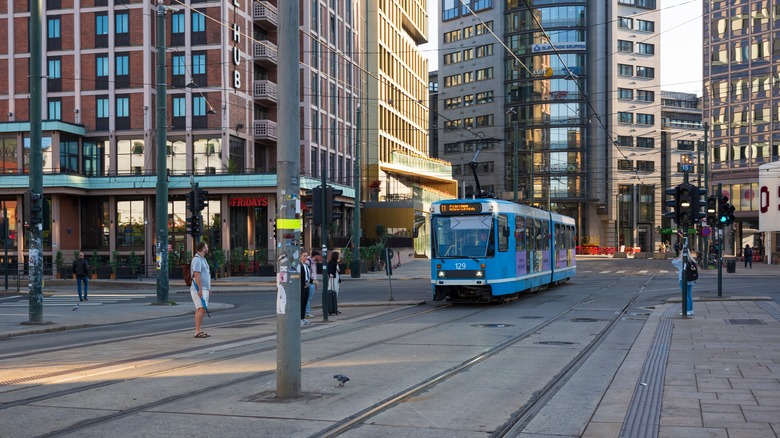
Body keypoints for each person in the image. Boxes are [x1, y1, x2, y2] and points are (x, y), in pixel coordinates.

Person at [190, 242, 211, 338]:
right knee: (200, 308)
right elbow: (196, 275)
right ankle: (197, 331)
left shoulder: (203, 260)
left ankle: (199, 330)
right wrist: (200, 289)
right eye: (206, 246)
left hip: (204, 288)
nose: (207, 248)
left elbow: (206, 275)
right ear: (203, 249)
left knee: (202, 309)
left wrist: (208, 288)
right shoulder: (197, 260)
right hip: (198, 289)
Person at [672, 250, 697, 316]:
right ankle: (691, 310)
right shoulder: (692, 261)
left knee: (685, 295)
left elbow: (673, 262)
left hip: (683, 280)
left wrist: (678, 257)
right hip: (691, 280)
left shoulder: (681, 261)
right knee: (689, 295)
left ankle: (687, 310)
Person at [304, 250, 320, 318]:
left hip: (312, 282)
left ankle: (306, 312)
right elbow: (307, 273)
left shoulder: (313, 262)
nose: (319, 258)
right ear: (315, 256)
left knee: (308, 298)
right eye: (318, 256)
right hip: (309, 282)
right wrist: (314, 281)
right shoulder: (309, 262)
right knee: (307, 298)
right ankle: (306, 313)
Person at [299, 251, 311, 326]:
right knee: (301, 302)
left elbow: (307, 275)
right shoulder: (299, 266)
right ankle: (299, 318)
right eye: (304, 256)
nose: (306, 257)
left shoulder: (306, 265)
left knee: (305, 302)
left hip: (307, 285)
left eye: (306, 256)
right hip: (302, 286)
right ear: (300, 257)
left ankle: (303, 317)